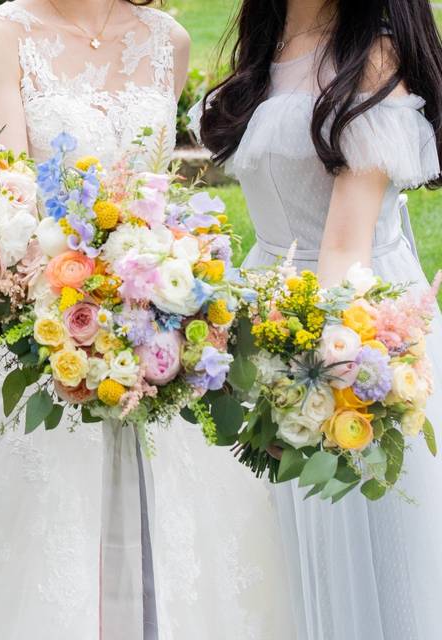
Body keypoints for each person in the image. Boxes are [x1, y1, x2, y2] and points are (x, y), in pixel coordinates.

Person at [0, 2, 294, 638]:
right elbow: (8, 210)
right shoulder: (0, 38)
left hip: (158, 312)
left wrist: (164, 286)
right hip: (49, 311)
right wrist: (90, 298)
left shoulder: (165, 39)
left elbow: (157, 189)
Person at [195, 0, 442, 637]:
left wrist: (310, 353)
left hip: (349, 308)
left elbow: (344, 246)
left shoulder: (374, 52)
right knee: (270, 549)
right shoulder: (268, 32)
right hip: (263, 296)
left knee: (360, 543)